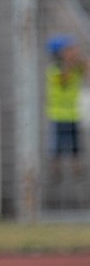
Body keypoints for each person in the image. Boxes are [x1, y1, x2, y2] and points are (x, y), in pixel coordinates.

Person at [45, 34, 89, 179]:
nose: (72, 51)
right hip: (58, 115)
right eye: (68, 50)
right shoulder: (53, 70)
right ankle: (55, 172)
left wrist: (81, 60)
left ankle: (77, 172)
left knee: (75, 147)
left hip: (74, 114)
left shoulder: (75, 67)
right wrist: (71, 61)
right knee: (56, 147)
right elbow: (64, 79)